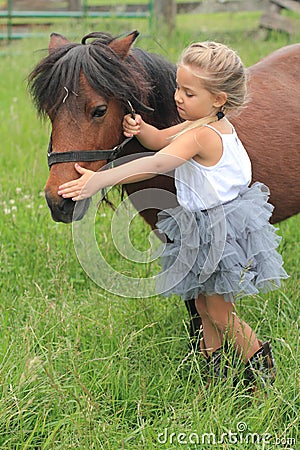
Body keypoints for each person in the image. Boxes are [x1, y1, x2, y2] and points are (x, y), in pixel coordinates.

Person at [58, 41, 288, 389]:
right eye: (178, 88)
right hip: (200, 225)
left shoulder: (202, 135)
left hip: (217, 229)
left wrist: (100, 180)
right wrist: (139, 129)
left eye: (188, 93)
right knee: (201, 301)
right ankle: (215, 372)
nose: (178, 97)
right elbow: (160, 140)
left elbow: (158, 162)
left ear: (219, 99)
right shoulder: (204, 121)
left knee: (220, 311)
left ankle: (262, 369)